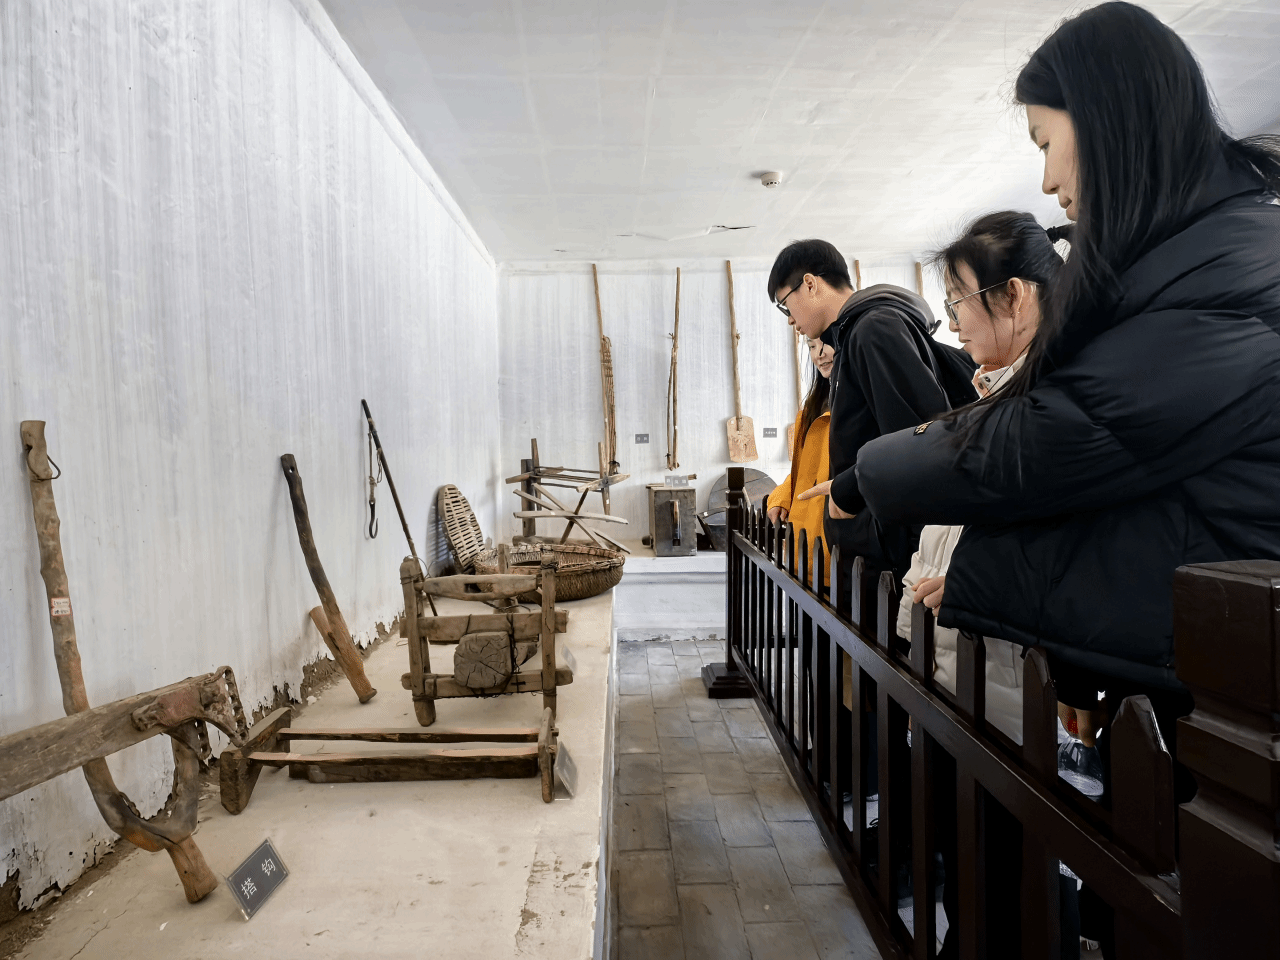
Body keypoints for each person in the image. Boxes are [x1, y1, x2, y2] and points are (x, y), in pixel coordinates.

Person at [856, 5, 1280, 954]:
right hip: (1192, 701)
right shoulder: (1193, 263)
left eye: (1049, 142)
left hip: (1235, 710)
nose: (1048, 178)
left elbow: (1056, 448)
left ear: (1113, 119)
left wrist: (877, 472)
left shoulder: (1228, 276)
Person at [897, 211, 1065, 746]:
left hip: (1007, 687)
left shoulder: (1054, 407)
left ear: (1012, 295)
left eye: (957, 302)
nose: (952, 325)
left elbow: (1068, 550)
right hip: (961, 668)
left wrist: (979, 587)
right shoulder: (994, 397)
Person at [766, 240, 976, 577]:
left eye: (785, 304)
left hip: (891, 555)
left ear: (810, 284)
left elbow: (919, 439)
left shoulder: (874, 329)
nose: (790, 319)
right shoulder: (854, 336)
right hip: (874, 547)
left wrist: (849, 491)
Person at [766, 336, 833, 575]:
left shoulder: (854, 411)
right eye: (812, 347)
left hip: (835, 547)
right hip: (804, 543)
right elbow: (805, 471)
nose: (818, 355)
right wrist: (783, 496)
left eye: (826, 344)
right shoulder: (810, 412)